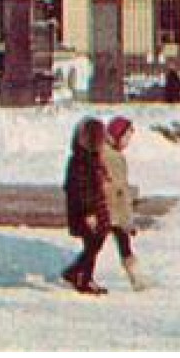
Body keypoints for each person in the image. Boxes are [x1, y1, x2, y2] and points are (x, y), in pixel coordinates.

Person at [60, 117, 112, 295]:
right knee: (92, 244)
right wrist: (88, 212)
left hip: (96, 208)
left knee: (95, 243)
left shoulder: (92, 159)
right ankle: (82, 277)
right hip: (87, 211)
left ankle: (78, 273)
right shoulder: (81, 161)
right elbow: (80, 189)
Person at [101, 116, 146, 290]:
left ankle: (136, 277)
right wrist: (127, 219)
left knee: (121, 243)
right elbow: (119, 191)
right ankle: (80, 272)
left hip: (110, 208)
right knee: (98, 244)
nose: (128, 142)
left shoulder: (109, 153)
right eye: (126, 137)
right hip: (110, 209)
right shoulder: (112, 157)